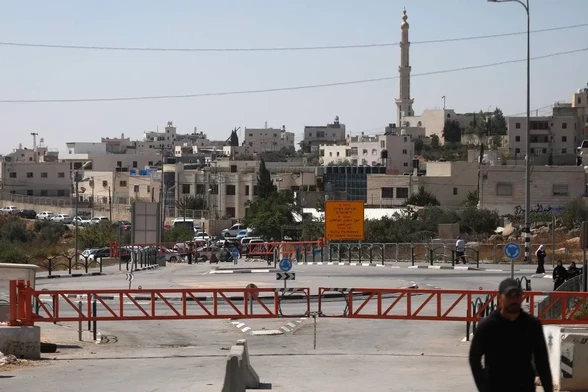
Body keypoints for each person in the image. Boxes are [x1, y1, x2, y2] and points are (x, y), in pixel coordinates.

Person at [469, 278, 553, 392]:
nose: (514, 300)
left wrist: (548, 388)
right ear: (500, 298)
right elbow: (474, 359)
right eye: (509, 296)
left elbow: (542, 361)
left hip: (525, 387)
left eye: (517, 295)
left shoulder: (532, 325)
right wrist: (483, 388)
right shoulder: (487, 326)